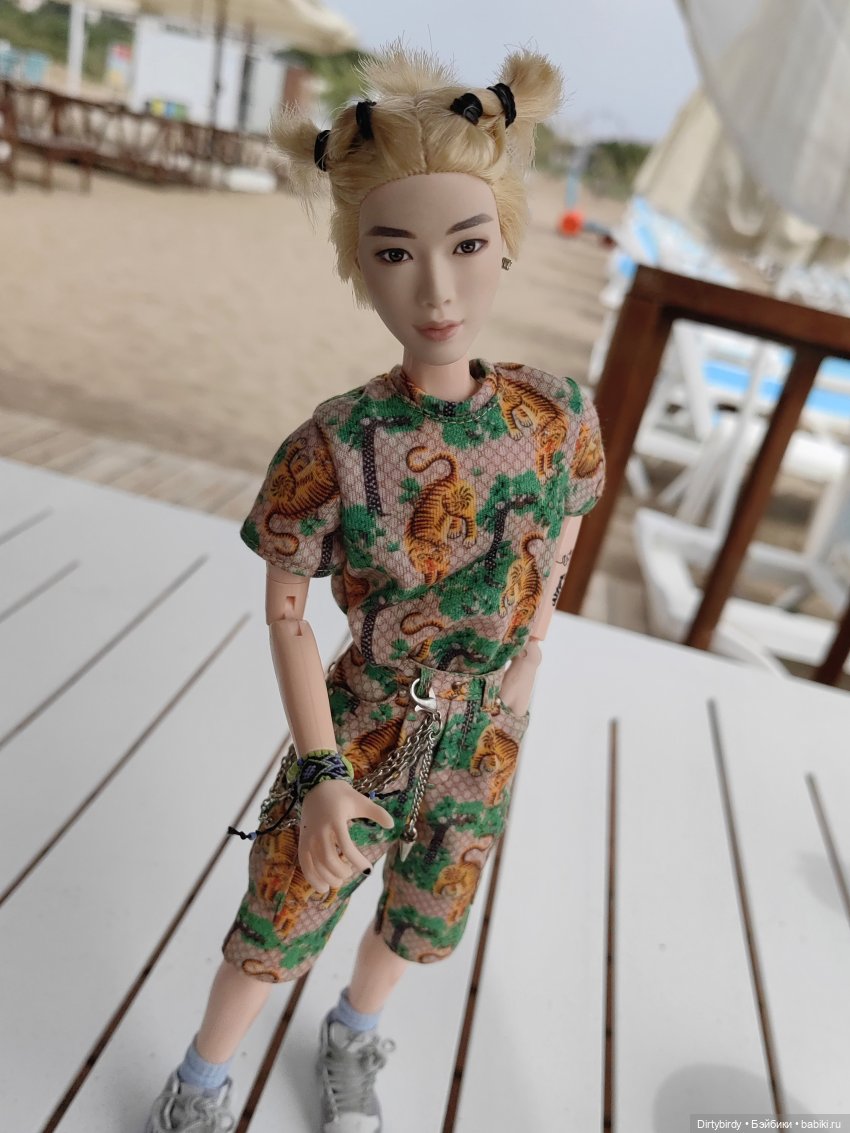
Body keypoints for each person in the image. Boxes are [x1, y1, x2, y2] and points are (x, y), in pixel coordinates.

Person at [146, 39, 605, 1133]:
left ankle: (354, 1034)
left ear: (506, 241)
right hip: (360, 725)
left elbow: (565, 528)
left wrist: (529, 661)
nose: (436, 288)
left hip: (484, 732)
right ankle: (200, 1083)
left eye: (467, 243)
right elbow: (287, 612)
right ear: (359, 264)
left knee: (423, 910)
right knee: (284, 909)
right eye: (394, 252)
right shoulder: (337, 444)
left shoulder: (557, 414)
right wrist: (318, 769)